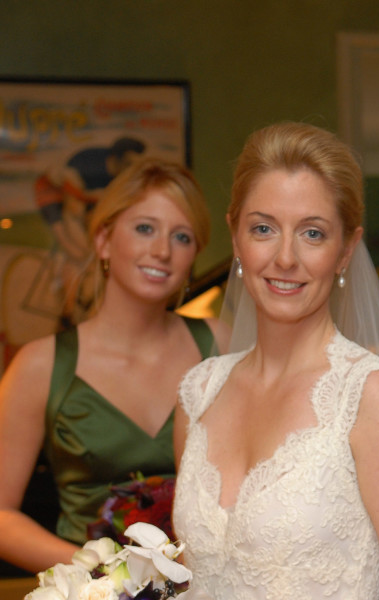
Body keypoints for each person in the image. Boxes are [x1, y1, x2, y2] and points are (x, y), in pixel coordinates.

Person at [172, 122, 379, 600]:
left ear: (346, 249)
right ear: (235, 235)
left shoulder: (371, 396)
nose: (285, 257)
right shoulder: (198, 394)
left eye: (312, 233)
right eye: (263, 228)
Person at [0, 157, 231, 573]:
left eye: (182, 236)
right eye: (145, 228)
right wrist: (104, 574)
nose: (161, 250)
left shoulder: (221, 345)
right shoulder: (41, 365)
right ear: (104, 240)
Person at [34, 137, 146, 325]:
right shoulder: (88, 165)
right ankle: (67, 313)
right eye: (128, 163)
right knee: (77, 254)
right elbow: (74, 207)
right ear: (117, 158)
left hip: (81, 201)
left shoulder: (118, 175)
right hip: (52, 194)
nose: (130, 169)